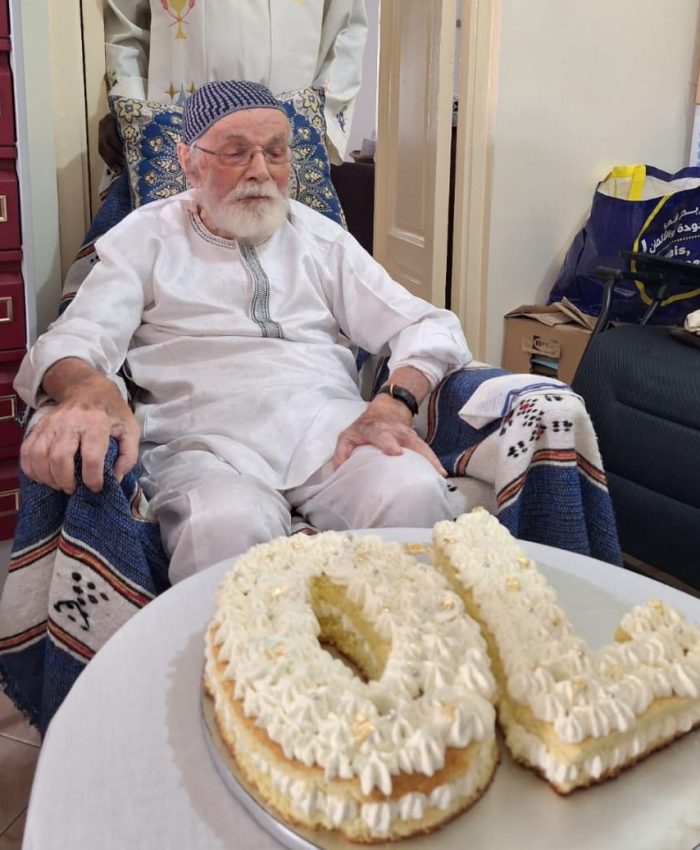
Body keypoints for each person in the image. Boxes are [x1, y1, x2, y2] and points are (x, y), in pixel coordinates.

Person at [15, 80, 471, 584]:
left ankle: (409, 659)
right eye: (237, 152)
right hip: (204, 443)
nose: (260, 171)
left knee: (413, 492)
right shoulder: (146, 239)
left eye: (275, 152)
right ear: (189, 159)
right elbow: (74, 337)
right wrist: (85, 388)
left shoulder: (318, 238)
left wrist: (393, 403)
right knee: (225, 527)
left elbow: (427, 324)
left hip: (329, 432)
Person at [99, 0, 368, 171]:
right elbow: (127, 29)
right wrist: (128, 109)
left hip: (285, 140)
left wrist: (318, 127)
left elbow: (345, 35)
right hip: (176, 135)